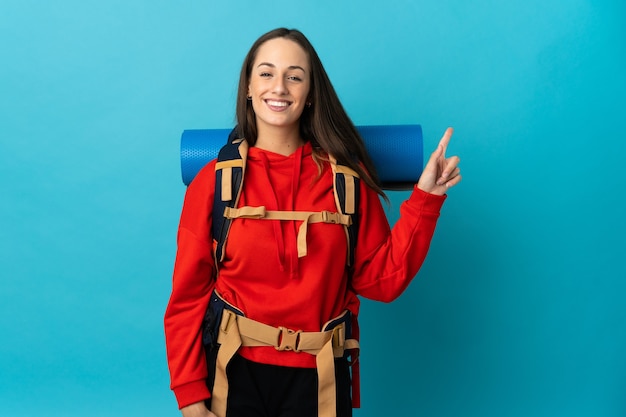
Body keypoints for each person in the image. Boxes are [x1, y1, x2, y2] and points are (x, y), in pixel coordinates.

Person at [164, 27, 461, 417]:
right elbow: (187, 297)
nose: (280, 87)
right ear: (249, 88)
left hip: (320, 378)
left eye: (295, 76)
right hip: (233, 372)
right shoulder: (214, 182)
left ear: (310, 95)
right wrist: (189, 395)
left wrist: (427, 199)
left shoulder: (346, 181)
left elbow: (383, 281)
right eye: (267, 73)